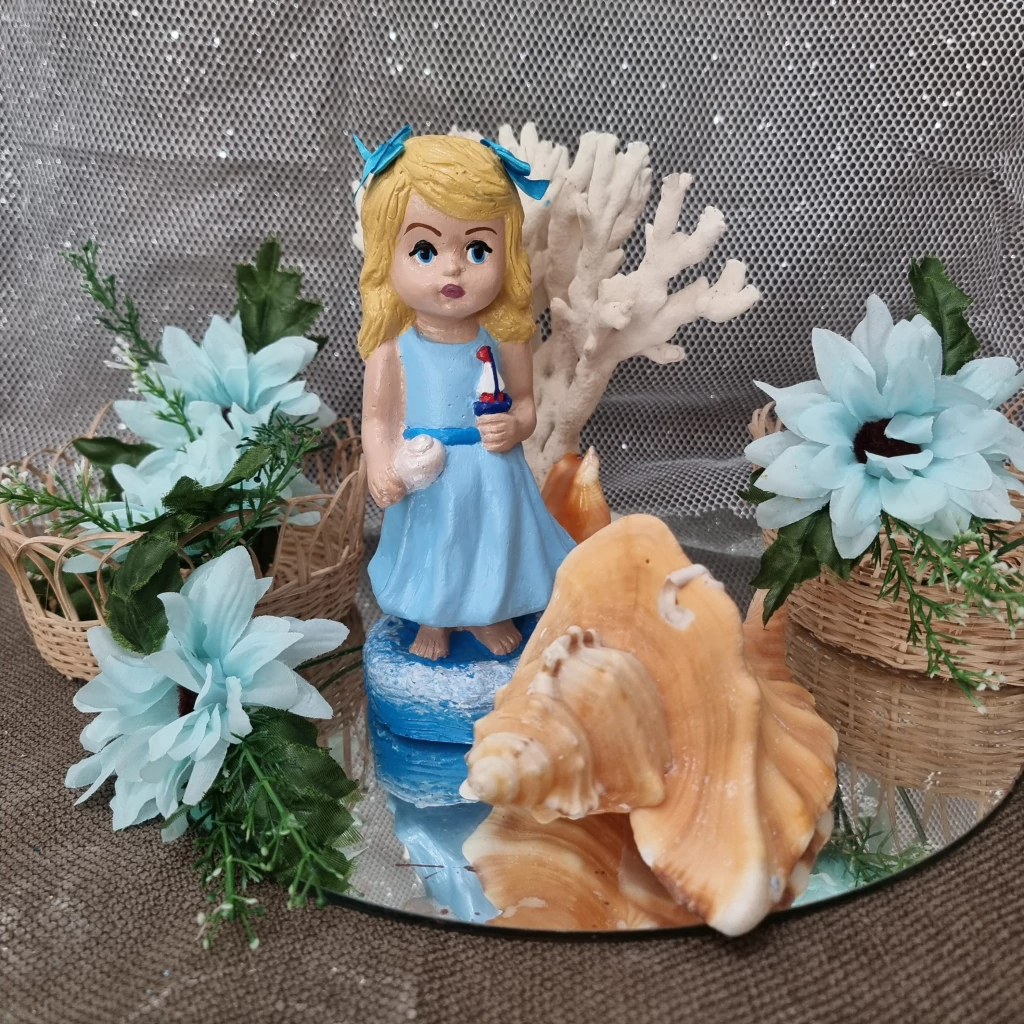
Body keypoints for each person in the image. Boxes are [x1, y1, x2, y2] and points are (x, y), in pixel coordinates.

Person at [356, 130, 574, 661]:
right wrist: (381, 464)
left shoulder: (505, 338)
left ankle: (487, 613)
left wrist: (515, 426)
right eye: (425, 250)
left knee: (490, 546)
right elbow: (378, 422)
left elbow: (526, 405)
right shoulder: (393, 348)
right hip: (426, 471)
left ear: (507, 253)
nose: (452, 268)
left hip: (490, 467)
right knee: (433, 547)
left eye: (478, 250)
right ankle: (435, 618)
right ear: (387, 254)